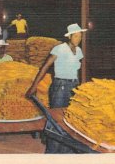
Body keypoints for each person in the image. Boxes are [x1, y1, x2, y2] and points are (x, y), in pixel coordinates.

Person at [25, 23, 87, 153]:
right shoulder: (59, 49)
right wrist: (34, 86)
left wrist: (82, 88)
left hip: (74, 86)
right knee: (55, 119)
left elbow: (79, 71)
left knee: (70, 119)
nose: (78, 39)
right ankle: (52, 151)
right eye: (76, 36)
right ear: (69, 37)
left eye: (80, 36)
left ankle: (67, 151)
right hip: (60, 87)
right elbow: (45, 67)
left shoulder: (79, 51)